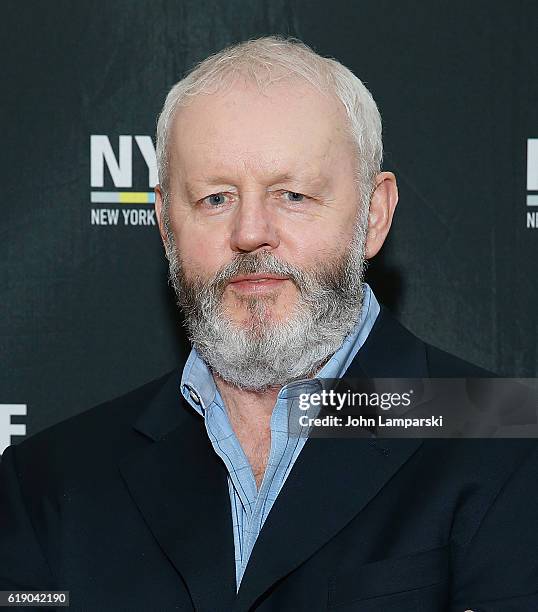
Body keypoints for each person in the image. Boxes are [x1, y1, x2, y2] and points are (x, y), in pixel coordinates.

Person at [1, 36, 537, 611]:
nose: (250, 232)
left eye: (293, 194)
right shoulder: (48, 483)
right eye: (215, 199)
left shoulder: (505, 438)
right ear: (164, 223)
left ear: (373, 215)